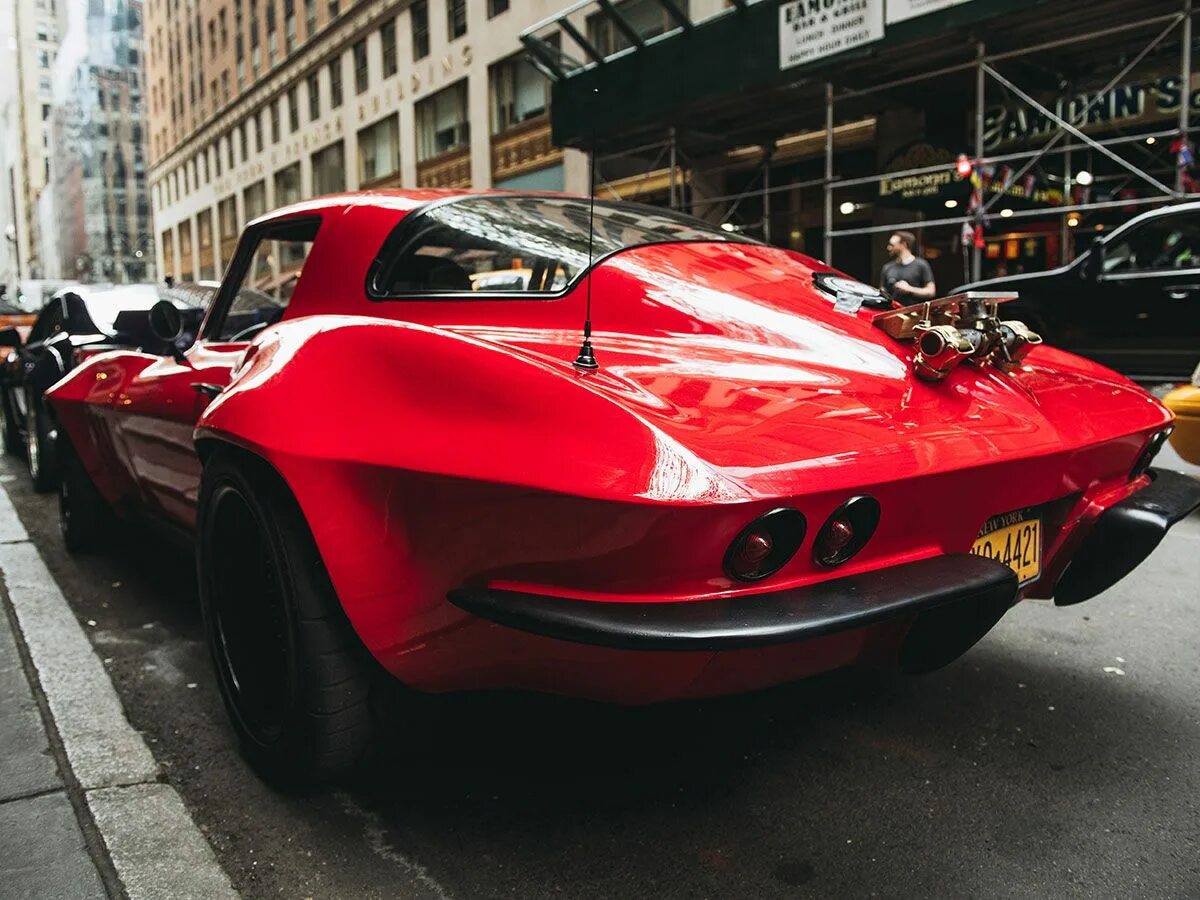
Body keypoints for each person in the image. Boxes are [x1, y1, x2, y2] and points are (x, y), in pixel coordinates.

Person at [880, 231, 936, 303]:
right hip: (893, 312)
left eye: (892, 245)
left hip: (914, 312)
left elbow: (931, 292)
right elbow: (882, 291)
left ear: (903, 245)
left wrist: (909, 289)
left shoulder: (921, 265)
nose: (888, 248)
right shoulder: (887, 267)